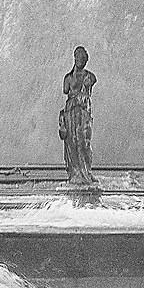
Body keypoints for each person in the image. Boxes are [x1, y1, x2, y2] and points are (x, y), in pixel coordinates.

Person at [60, 45, 97, 187]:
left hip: (84, 113)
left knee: (84, 143)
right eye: (77, 57)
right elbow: (66, 91)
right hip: (71, 113)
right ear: (74, 59)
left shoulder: (90, 77)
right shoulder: (68, 78)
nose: (79, 60)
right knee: (72, 142)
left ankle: (86, 171)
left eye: (82, 58)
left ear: (86, 60)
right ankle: (75, 173)